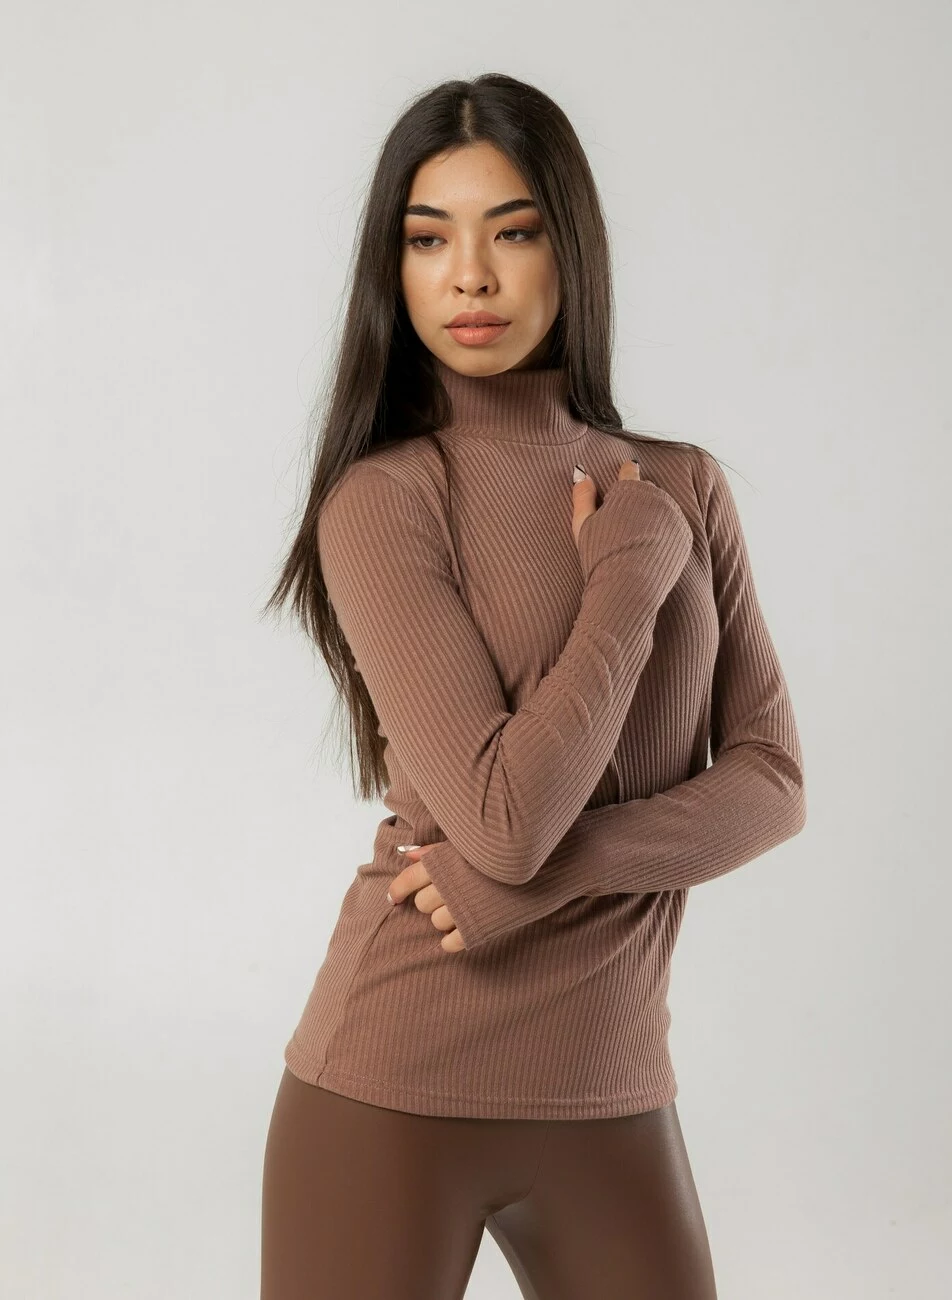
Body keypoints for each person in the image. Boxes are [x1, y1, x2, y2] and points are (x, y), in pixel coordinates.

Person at [259, 71, 806, 1300]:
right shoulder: (387, 500)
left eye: (511, 232)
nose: (470, 277)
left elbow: (773, 782)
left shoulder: (681, 484)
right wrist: (626, 581)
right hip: (390, 1086)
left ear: (572, 250)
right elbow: (505, 816)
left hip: (613, 1094)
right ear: (392, 269)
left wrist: (535, 885)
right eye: (428, 240)